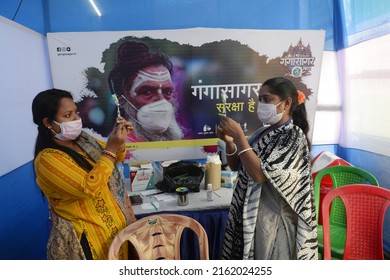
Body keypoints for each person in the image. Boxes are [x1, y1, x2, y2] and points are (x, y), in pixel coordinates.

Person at [217, 77, 317, 260]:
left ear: (286, 103)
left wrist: (239, 136)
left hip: (271, 222)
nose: (261, 104)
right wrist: (230, 143)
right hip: (252, 216)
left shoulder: (293, 136)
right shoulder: (263, 132)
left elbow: (259, 175)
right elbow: (237, 166)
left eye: (267, 99)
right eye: (260, 99)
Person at [32, 88, 137, 260]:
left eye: (76, 112)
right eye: (67, 115)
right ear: (48, 123)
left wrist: (119, 140)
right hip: (88, 244)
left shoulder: (83, 140)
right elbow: (88, 188)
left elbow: (113, 159)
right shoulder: (47, 160)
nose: (76, 119)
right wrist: (110, 147)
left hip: (116, 234)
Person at [108, 40, 185, 145]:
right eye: (147, 92)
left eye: (167, 92)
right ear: (121, 100)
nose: (161, 101)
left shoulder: (184, 142)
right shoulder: (118, 149)